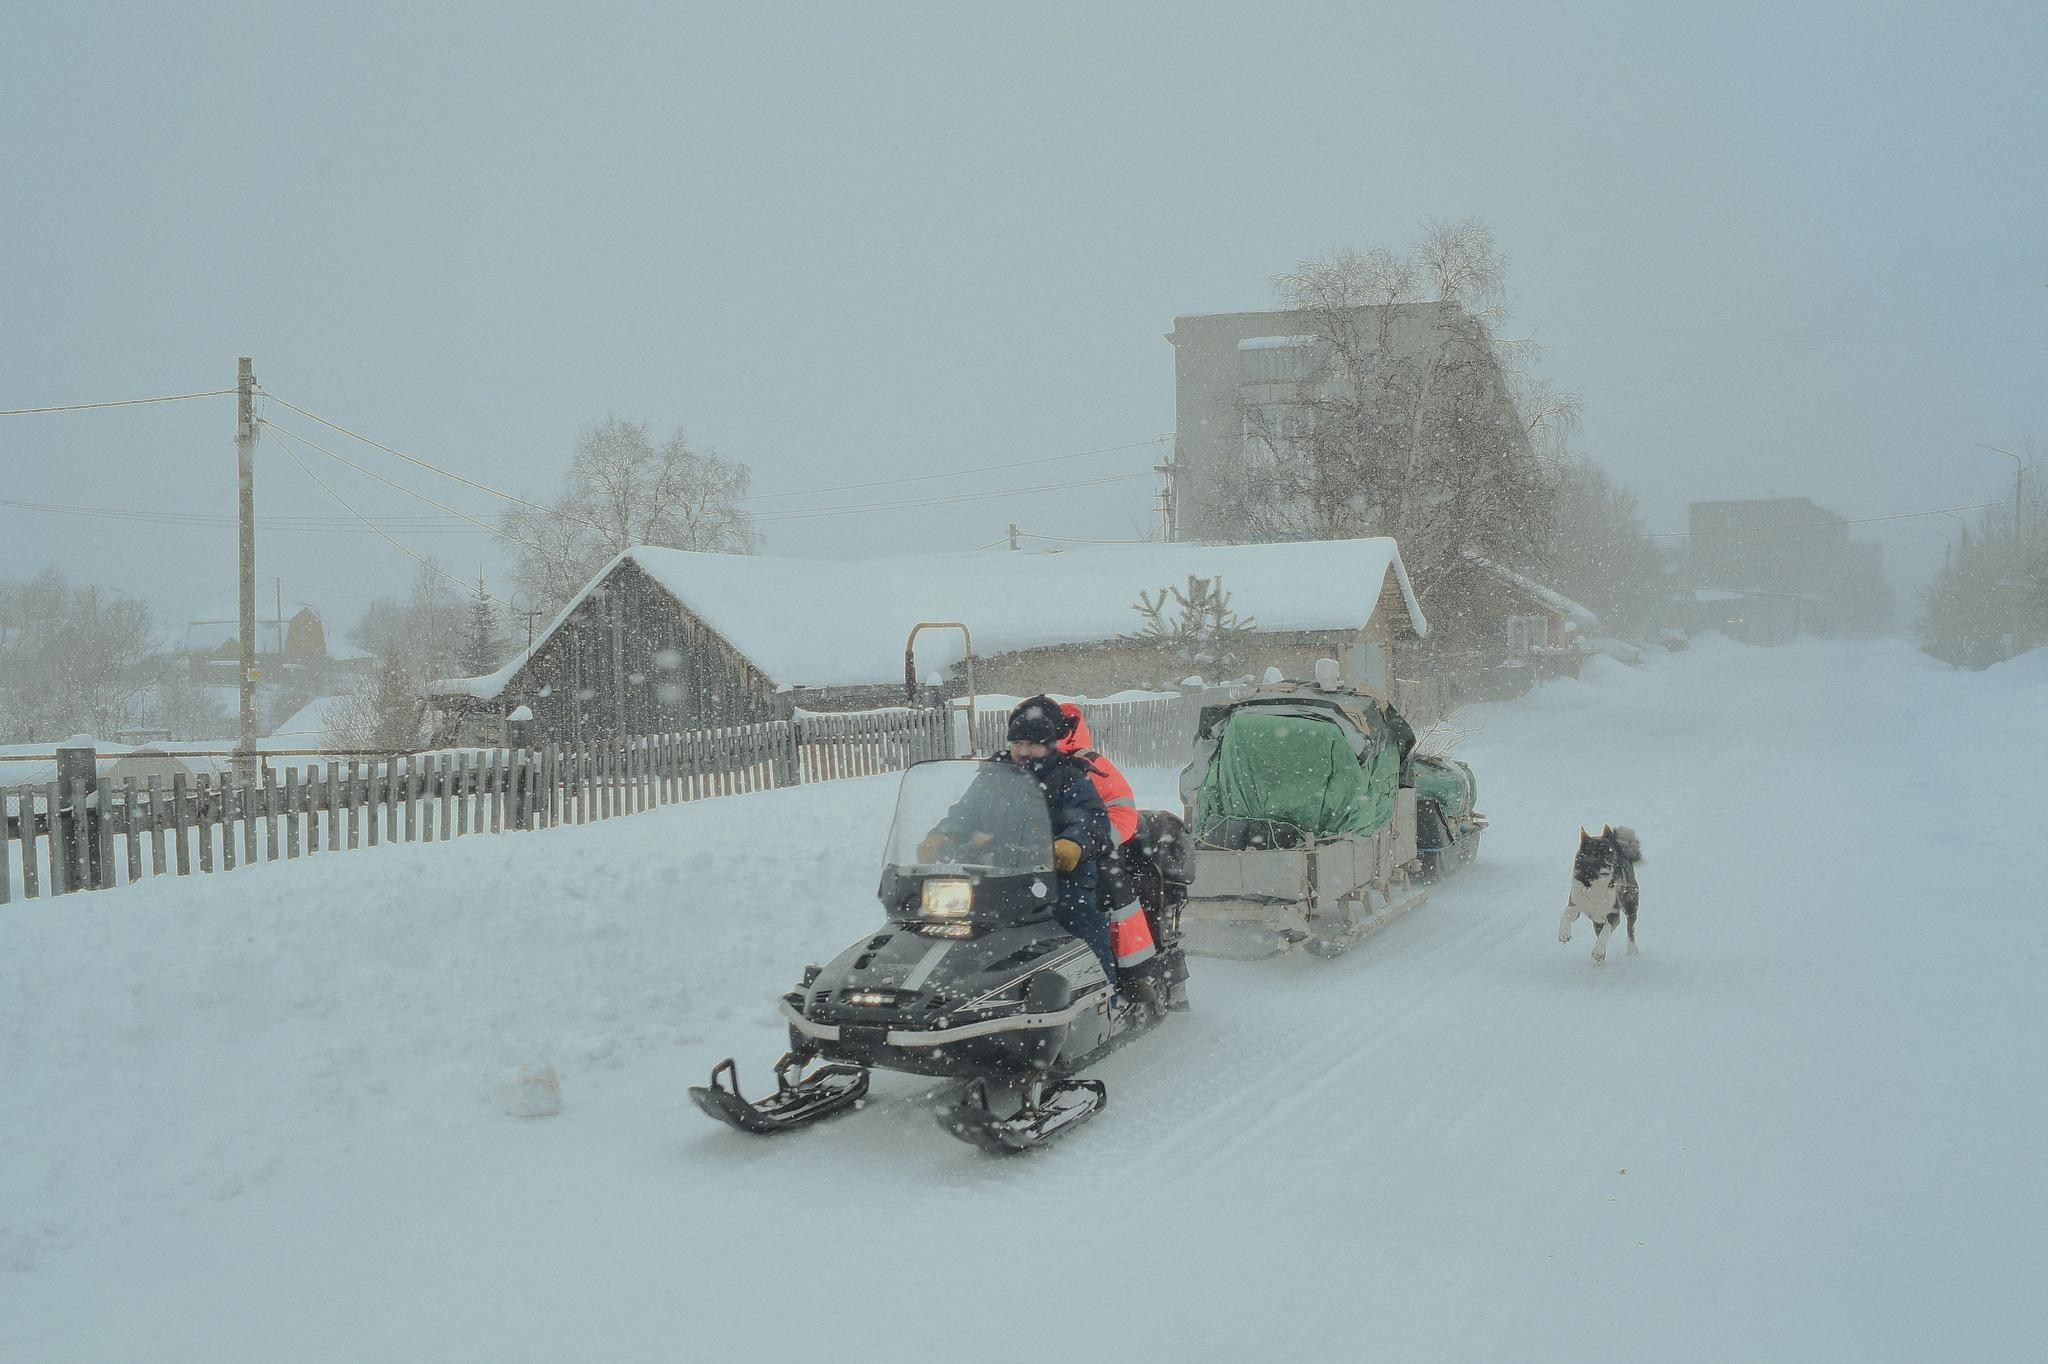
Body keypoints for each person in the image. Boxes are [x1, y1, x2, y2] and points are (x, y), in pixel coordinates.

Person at [1055, 701, 1160, 990]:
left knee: (1112, 884)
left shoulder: (1092, 764)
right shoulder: (1022, 767)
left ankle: (1135, 972)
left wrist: (1095, 841)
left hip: (1095, 848)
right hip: (1041, 853)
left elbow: (1122, 810)